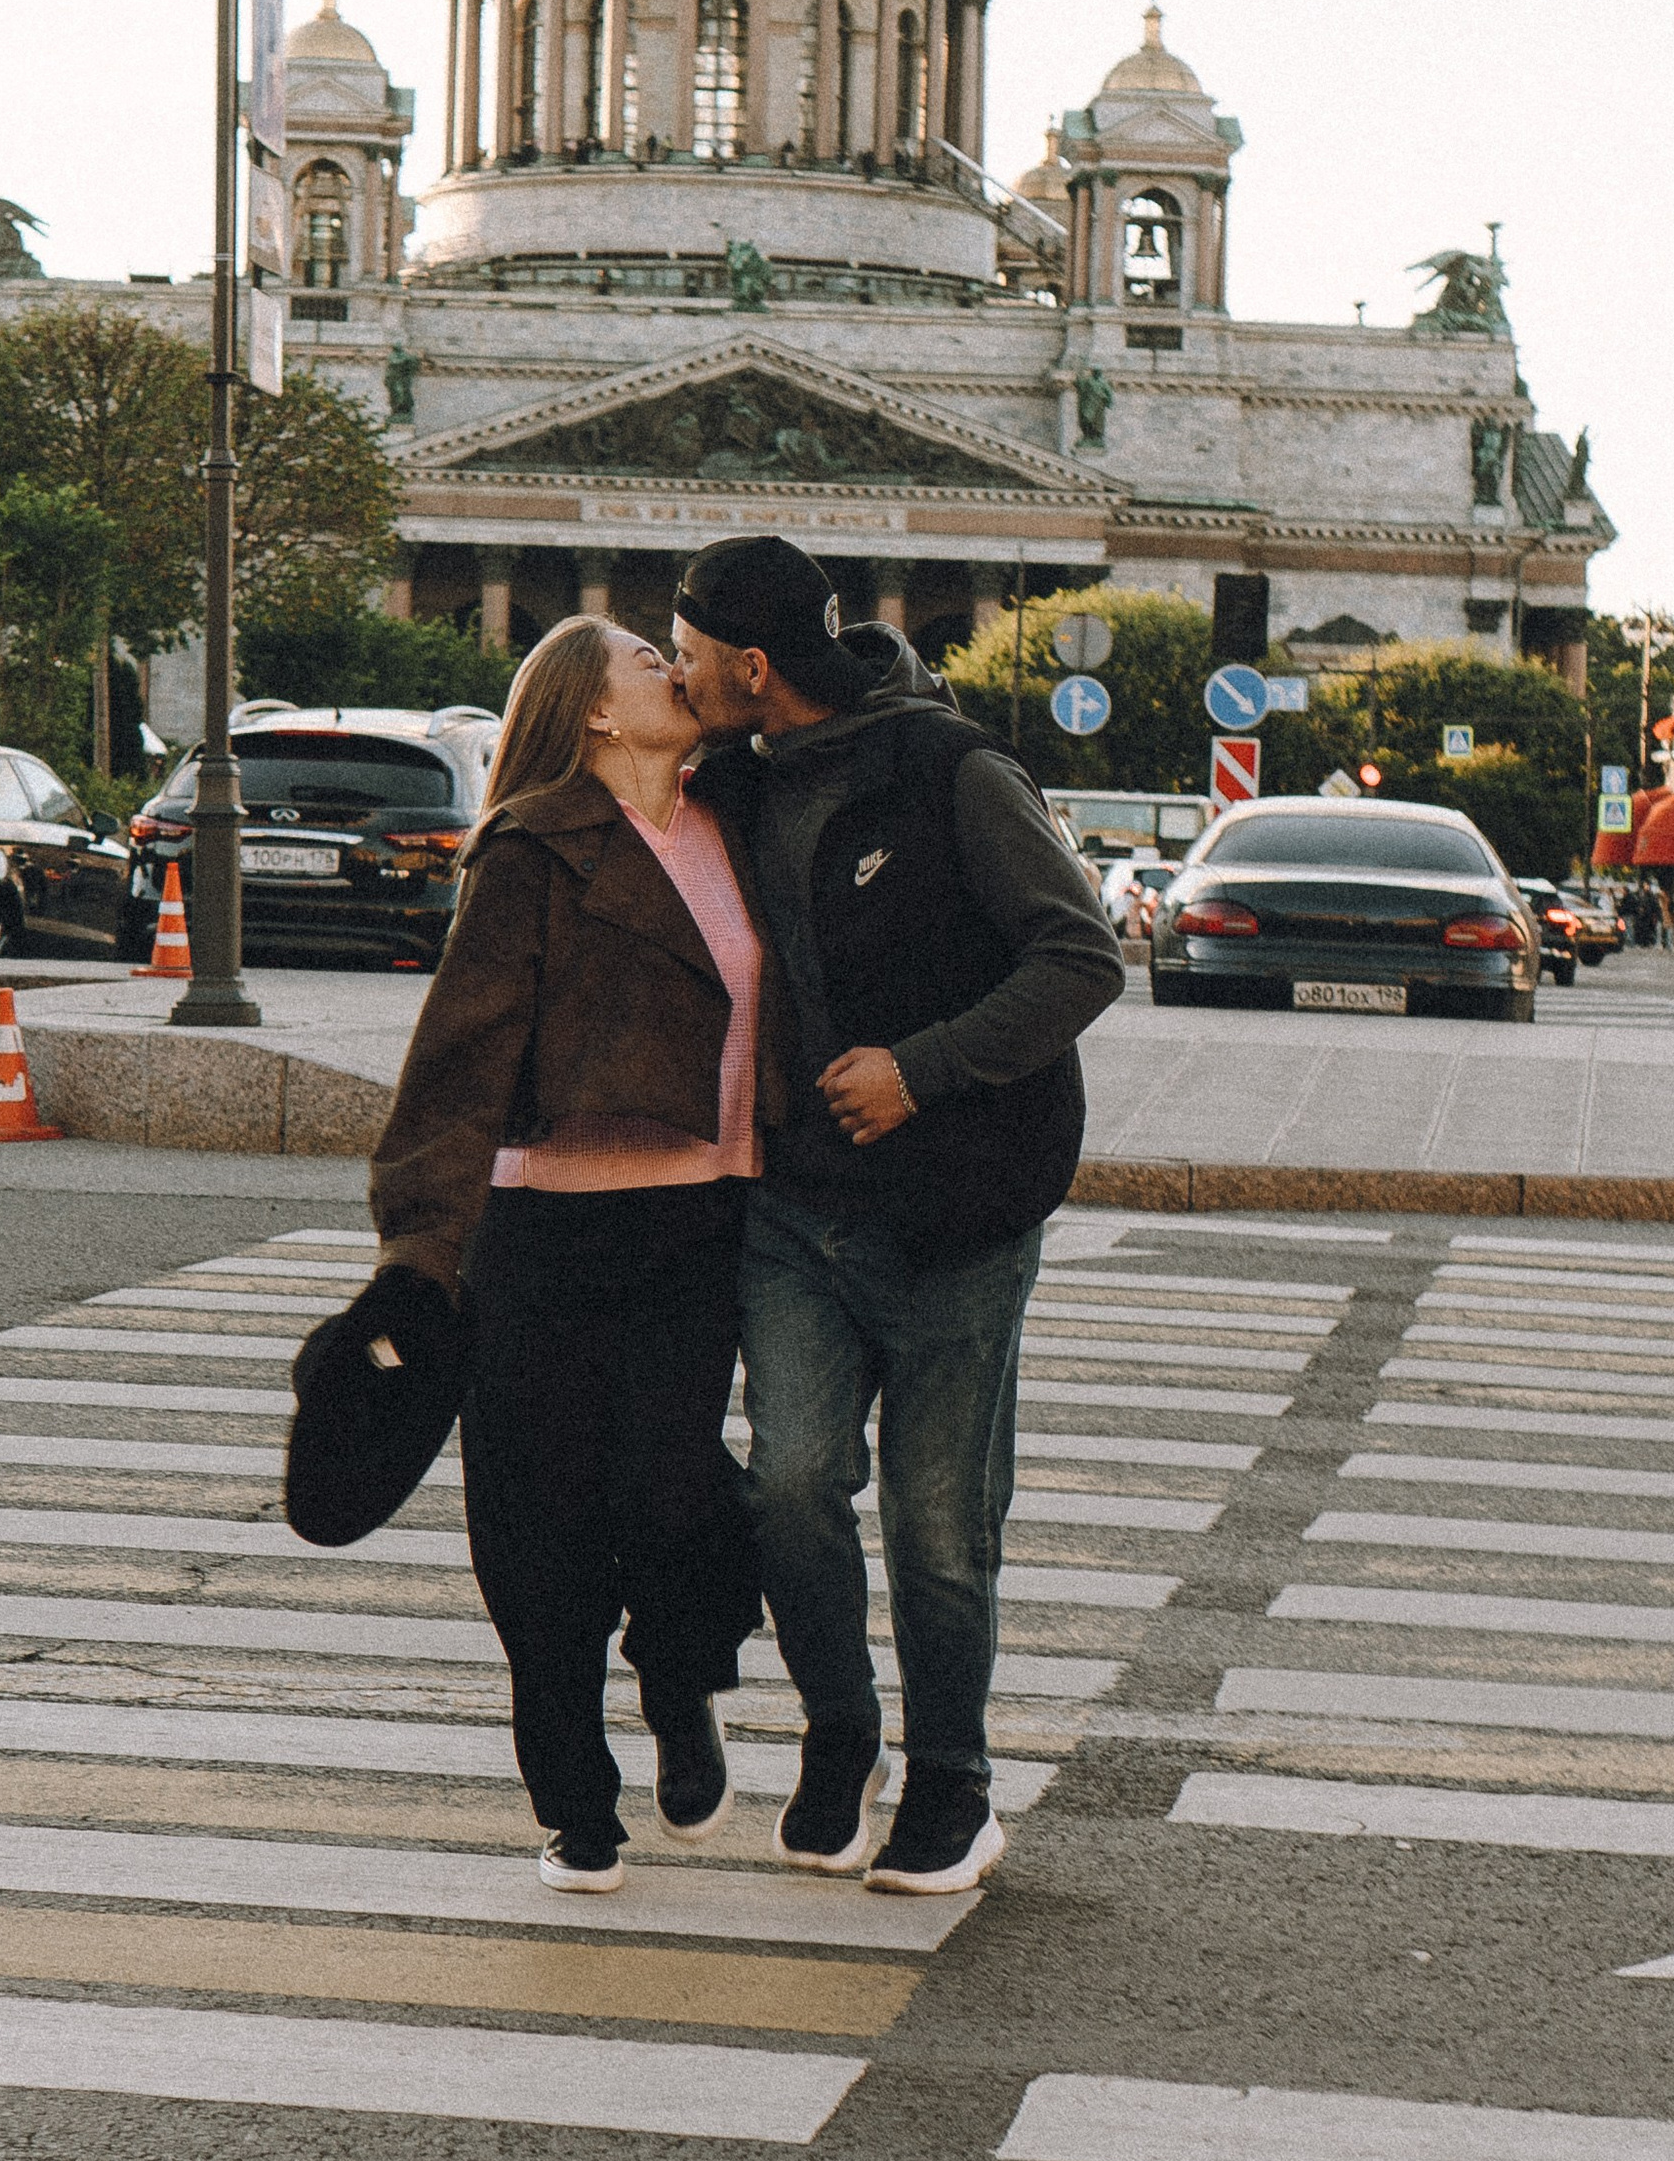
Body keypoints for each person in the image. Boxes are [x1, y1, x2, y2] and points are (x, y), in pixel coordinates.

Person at [672, 537, 1126, 1896]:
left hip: (956, 1211)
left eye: (689, 657)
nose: (679, 678)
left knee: (938, 1524)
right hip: (796, 1208)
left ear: (756, 666)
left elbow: (1082, 957)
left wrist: (920, 1070)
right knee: (793, 1486)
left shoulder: (954, 772)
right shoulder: (733, 780)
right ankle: (842, 1733)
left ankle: (953, 1785)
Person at [370, 617, 779, 1892]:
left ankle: (679, 1679)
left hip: (700, 1222)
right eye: (646, 660)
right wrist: (418, 1245)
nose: (675, 668)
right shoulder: (535, 847)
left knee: (674, 1492)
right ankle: (574, 1802)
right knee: (536, 1528)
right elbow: (460, 1056)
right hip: (544, 1233)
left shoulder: (737, 821)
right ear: (594, 711)